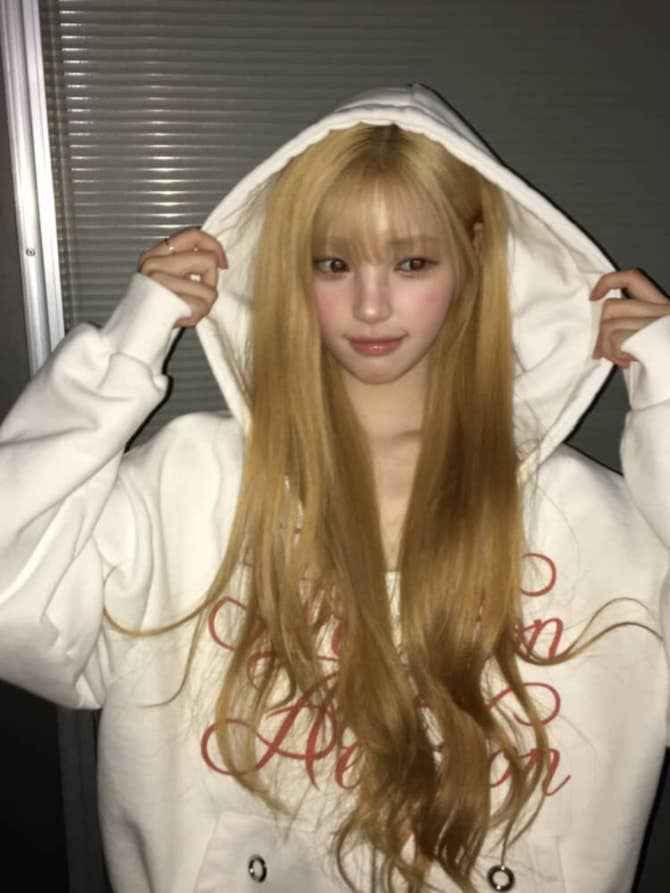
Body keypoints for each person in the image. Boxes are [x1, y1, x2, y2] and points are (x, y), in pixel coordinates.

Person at [0, 83, 669, 893]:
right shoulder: (189, 485)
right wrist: (121, 356)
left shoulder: (590, 522)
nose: (371, 304)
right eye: (334, 263)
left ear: (473, 259)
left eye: (412, 262)